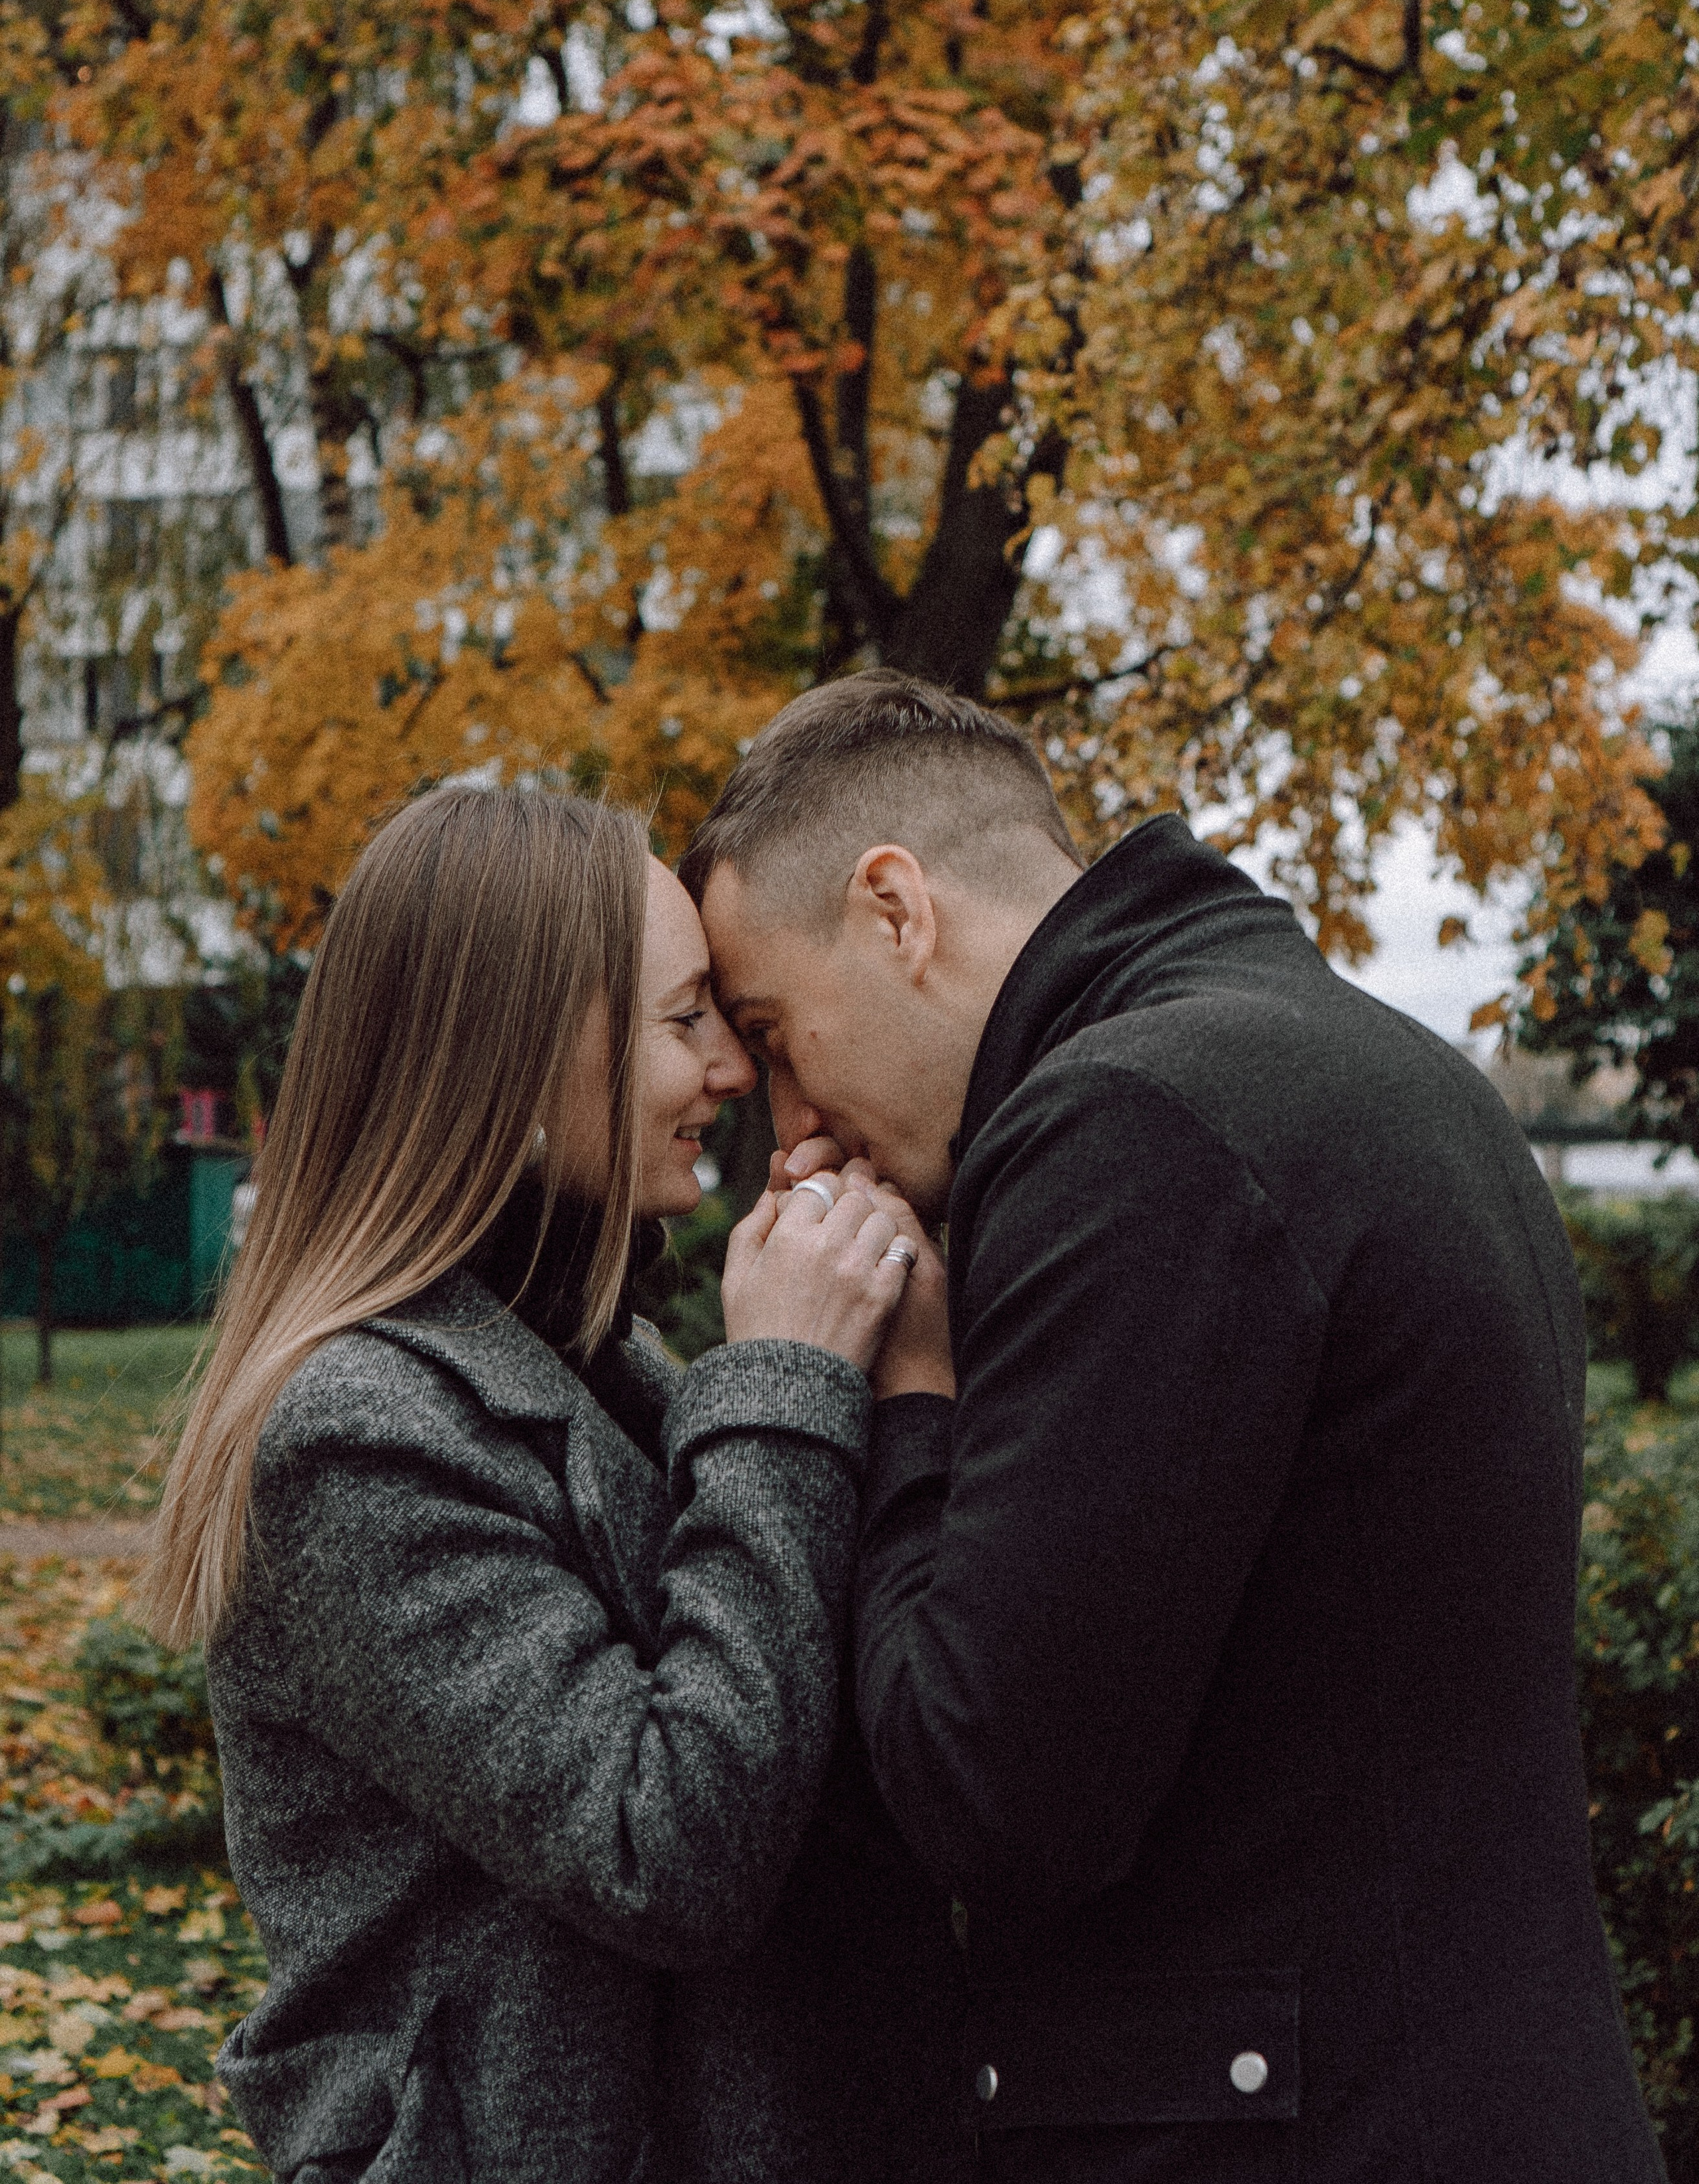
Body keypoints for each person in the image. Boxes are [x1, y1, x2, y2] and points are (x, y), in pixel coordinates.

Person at [683, 670, 1666, 2184]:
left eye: (776, 1030)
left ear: (895, 910)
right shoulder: (1370, 1065)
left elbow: (988, 1798)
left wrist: (907, 1397)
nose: (792, 1124)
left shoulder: (1133, 1127)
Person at [144, 783, 968, 2184]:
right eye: (685, 1019)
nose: (729, 1071)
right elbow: (668, 1847)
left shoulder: (601, 1367)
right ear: (516, 1057)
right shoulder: (355, 1432)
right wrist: (783, 1384)